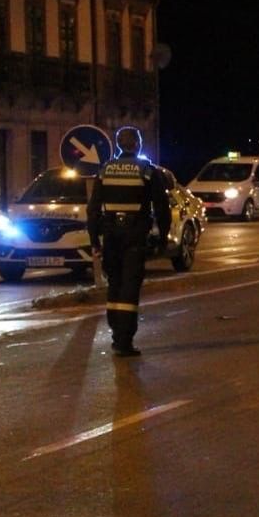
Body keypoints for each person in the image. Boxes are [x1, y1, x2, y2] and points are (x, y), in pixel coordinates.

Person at [86, 126, 171, 357]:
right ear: (138, 144)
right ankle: (125, 340)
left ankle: (116, 334)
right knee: (130, 287)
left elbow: (93, 208)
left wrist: (94, 239)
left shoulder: (105, 170)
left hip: (110, 235)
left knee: (114, 284)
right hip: (134, 235)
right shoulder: (146, 170)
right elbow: (161, 207)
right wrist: (163, 237)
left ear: (118, 144)